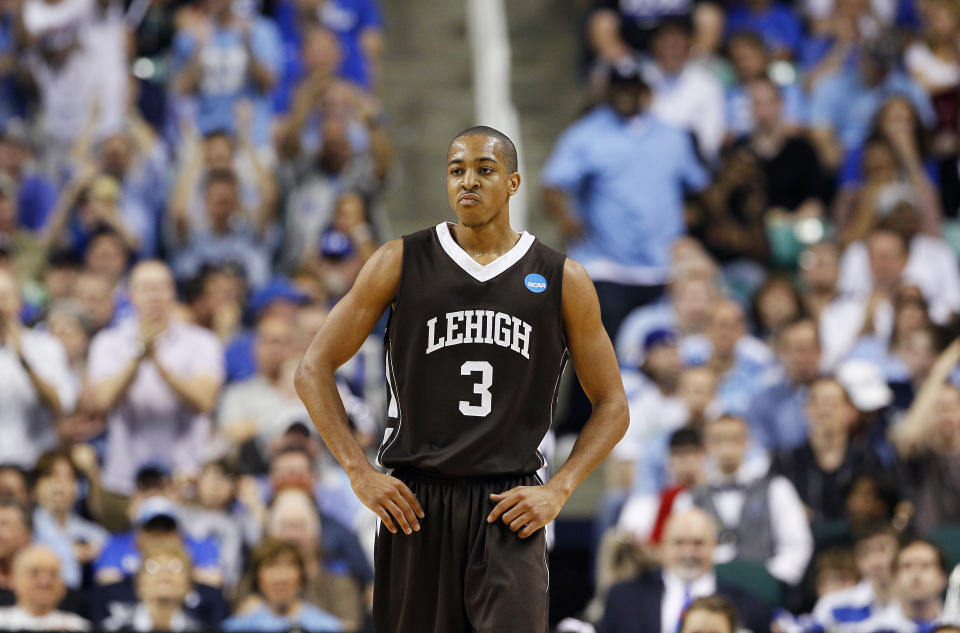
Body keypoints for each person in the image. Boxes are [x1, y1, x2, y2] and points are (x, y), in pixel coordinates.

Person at [295, 126, 629, 632]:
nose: (467, 182)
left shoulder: (563, 278)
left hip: (508, 504)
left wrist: (559, 490)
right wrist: (358, 471)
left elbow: (613, 405)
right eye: (457, 171)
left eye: (484, 170)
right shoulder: (400, 260)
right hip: (416, 503)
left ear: (514, 183)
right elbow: (312, 369)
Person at [542, 63, 709, 344]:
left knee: (664, 355)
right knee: (599, 361)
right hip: (606, 266)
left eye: (632, 88)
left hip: (662, 267)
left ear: (645, 92)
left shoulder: (672, 136)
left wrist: (692, 220)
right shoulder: (585, 134)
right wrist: (566, 219)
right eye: (618, 88)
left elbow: (699, 188)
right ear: (608, 92)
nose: (625, 95)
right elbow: (551, 186)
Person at [87, 260, 224, 497]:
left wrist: (160, 364)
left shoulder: (202, 341)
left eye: (162, 287)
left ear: (173, 293)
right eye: (147, 288)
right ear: (131, 295)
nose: (155, 295)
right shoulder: (107, 342)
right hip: (125, 479)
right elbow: (102, 400)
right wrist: (139, 355)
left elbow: (204, 400)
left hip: (185, 476)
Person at [598, 508, 774, 633]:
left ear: (714, 546)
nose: (688, 553)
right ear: (663, 546)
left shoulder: (752, 606)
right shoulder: (623, 598)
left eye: (698, 543)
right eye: (679, 543)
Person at [692, 414, 813, 586]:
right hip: (709, 588)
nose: (727, 447)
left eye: (735, 439)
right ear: (707, 446)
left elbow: (796, 544)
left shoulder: (776, 488)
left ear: (747, 442)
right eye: (718, 440)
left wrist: (769, 577)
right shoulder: (692, 497)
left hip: (762, 589)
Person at [0, 268, 77, 468]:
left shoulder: (46, 346)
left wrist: (23, 360)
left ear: (19, 302)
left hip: (35, 463)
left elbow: (60, 405)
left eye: (4, 296)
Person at [222, 538, 343, 632]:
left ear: (301, 576)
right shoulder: (238, 627)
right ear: (258, 577)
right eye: (271, 566)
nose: (280, 577)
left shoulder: (326, 627)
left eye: (289, 566)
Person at [31, 449, 109, 590]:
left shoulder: (93, 533)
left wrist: (97, 553)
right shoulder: (26, 526)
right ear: (35, 486)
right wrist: (68, 552)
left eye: (69, 477)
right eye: (51, 476)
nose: (60, 485)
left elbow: (105, 543)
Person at [812, 524, 900, 633]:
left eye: (882, 549)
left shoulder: (920, 604)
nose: (875, 561)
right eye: (865, 553)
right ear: (857, 561)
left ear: (900, 553)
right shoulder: (832, 605)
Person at [102, 543, 203, 632]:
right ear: (139, 582)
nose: (164, 573)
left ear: (189, 585)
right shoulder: (111, 629)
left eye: (176, 567)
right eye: (152, 566)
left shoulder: (202, 629)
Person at [859, 540, 948, 633]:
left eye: (925, 565)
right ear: (894, 577)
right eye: (907, 566)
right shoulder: (874, 629)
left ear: (943, 577)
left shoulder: (955, 626)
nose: (916, 574)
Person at [0, 545, 89, 631]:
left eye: (53, 574)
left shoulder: (80, 627)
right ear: (14, 580)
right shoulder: (2, 622)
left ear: (63, 586)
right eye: (34, 573)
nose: (45, 581)